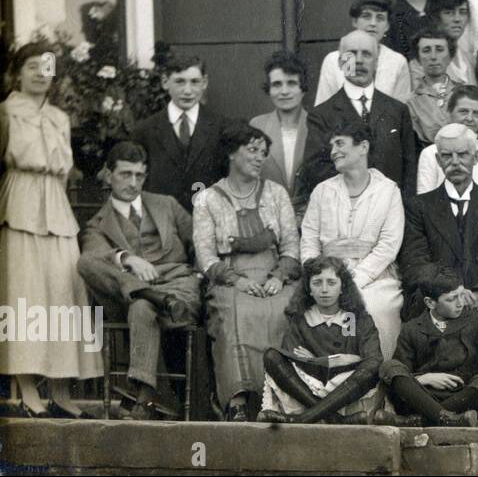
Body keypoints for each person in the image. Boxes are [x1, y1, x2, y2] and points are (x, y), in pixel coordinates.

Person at [1, 44, 103, 416]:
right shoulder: (5, 112)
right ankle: (28, 393)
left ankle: (60, 393)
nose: (41, 74)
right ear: (17, 73)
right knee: (24, 297)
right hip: (19, 204)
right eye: (32, 66)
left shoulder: (60, 117)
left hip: (56, 208)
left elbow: (63, 170)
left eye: (47, 67)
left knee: (64, 295)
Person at [77, 141, 201, 420]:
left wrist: (201, 275)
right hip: (137, 297)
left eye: (139, 176)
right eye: (125, 174)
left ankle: (144, 400)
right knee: (91, 266)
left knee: (141, 306)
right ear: (108, 175)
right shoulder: (98, 224)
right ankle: (145, 399)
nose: (133, 183)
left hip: (177, 288)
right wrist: (126, 258)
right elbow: (93, 257)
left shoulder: (167, 204)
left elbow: (199, 240)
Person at [194, 122, 300, 421]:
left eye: (263, 153)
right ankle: (238, 401)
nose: (259, 157)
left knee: (285, 310)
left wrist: (279, 276)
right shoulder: (207, 198)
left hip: (273, 273)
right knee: (236, 312)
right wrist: (236, 281)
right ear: (231, 153)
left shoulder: (276, 194)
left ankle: (283, 399)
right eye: (252, 150)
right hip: (230, 277)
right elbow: (205, 255)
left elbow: (291, 245)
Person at [300, 120, 405, 360]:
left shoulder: (388, 190)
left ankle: (376, 374)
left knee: (375, 307)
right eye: (331, 146)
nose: (333, 151)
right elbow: (309, 241)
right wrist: (317, 275)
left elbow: (388, 244)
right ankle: (332, 374)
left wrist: (355, 280)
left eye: (340, 144)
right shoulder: (323, 191)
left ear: (363, 147)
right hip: (327, 275)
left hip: (374, 276)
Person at [400, 123, 478, 317]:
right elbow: (415, 264)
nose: (455, 162)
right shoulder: (418, 206)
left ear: (476, 157)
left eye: (463, 154)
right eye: (447, 155)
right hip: (437, 305)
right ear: (438, 160)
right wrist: (450, 295)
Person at [257, 256, 383, 425]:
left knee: (372, 368)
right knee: (272, 356)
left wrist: (316, 360)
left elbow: (371, 359)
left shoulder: (355, 318)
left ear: (342, 287)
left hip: (346, 385)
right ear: (308, 289)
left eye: (331, 283)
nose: (324, 290)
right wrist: (337, 360)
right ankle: (337, 420)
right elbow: (295, 360)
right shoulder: (301, 319)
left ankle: (302, 419)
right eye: (317, 283)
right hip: (310, 384)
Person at [299, 30, 418, 198]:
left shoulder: (398, 111)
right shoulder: (321, 115)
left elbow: (409, 173)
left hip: (390, 208)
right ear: (341, 63)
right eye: (352, 54)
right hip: (343, 206)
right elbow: (315, 171)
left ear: (376, 63)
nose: (359, 60)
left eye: (367, 54)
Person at [380, 268, 478, 427]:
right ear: (430, 303)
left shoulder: (476, 321)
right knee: (389, 367)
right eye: (451, 299)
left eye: (461, 295)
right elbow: (403, 371)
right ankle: (446, 418)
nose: (460, 303)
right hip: (422, 396)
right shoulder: (412, 328)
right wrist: (424, 378)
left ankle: (421, 420)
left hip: (460, 396)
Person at [131, 53, 230, 212]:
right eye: (179, 82)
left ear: (204, 83)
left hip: (208, 219)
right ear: (165, 82)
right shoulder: (145, 130)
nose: (187, 91)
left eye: (195, 82)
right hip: (160, 220)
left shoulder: (221, 128)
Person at [315, 0, 413, 105]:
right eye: (366, 16)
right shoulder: (335, 59)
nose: (373, 23)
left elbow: (401, 108)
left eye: (380, 18)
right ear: (355, 22)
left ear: (387, 26)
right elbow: (323, 106)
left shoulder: (397, 62)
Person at [417, 85, 478, 193]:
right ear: (449, 113)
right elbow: (424, 197)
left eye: (476, 113)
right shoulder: (430, 153)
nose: (469, 118)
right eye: (463, 111)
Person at [250, 51, 310, 197]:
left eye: (291, 83)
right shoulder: (257, 126)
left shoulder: (318, 125)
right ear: (269, 90)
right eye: (277, 84)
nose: (284, 91)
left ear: (302, 89)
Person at [423, 0, 478, 88]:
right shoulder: (422, 61)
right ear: (436, 16)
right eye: (449, 13)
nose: (457, 19)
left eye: (462, 12)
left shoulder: (470, 59)